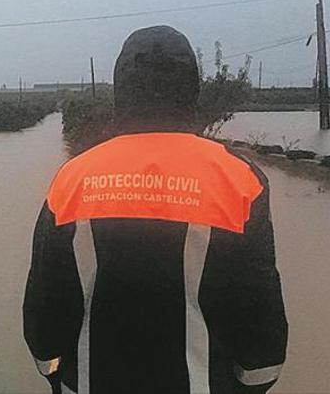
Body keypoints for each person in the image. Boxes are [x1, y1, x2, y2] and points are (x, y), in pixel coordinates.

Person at [23, 26, 287, 393]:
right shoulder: (239, 180)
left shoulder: (72, 179)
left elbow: (43, 310)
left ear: (121, 92)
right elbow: (261, 320)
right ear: (193, 91)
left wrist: (55, 375)